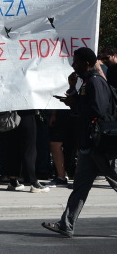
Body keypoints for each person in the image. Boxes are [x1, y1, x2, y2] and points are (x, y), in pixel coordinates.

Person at [43, 47, 117, 238]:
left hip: (100, 146)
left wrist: (75, 104)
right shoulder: (85, 82)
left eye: (76, 61)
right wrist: (71, 91)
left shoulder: (94, 82)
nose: (73, 64)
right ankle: (66, 225)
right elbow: (83, 105)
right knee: (80, 188)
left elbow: (98, 110)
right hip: (88, 146)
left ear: (86, 63)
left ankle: (66, 224)